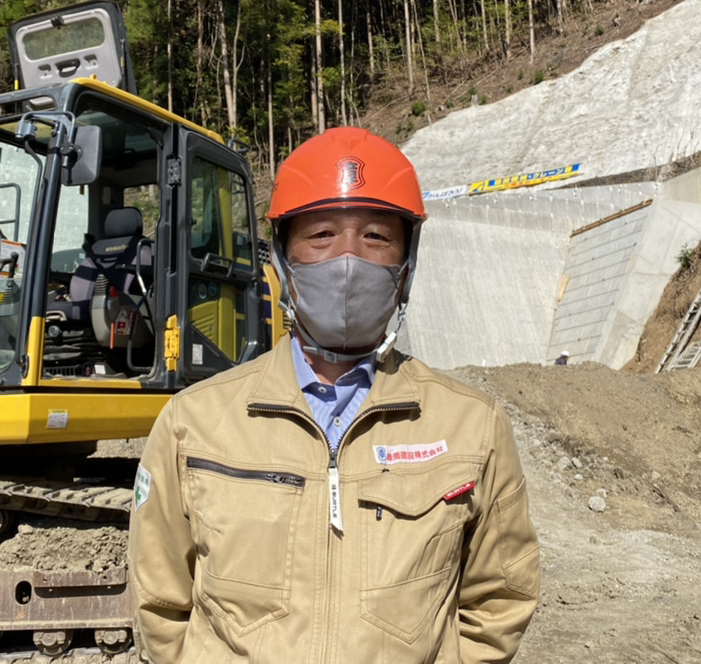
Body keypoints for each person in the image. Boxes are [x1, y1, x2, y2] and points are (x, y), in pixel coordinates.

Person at [128, 127, 540, 663]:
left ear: (405, 266)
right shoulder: (194, 421)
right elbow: (160, 601)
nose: (348, 261)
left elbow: (499, 598)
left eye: (376, 237)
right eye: (321, 234)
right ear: (283, 260)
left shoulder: (472, 425)